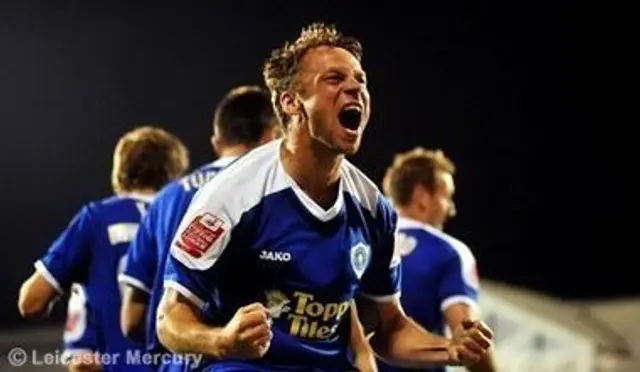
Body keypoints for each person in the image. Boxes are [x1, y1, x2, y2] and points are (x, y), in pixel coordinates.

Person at [155, 23, 493, 371]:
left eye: (360, 80)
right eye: (334, 79)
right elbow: (168, 320)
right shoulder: (232, 194)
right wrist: (222, 340)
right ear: (290, 102)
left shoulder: (373, 209)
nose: (354, 88)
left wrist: (449, 349)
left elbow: (389, 329)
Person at [118, 86, 280, 371]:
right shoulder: (276, 195)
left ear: (217, 141)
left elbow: (132, 319)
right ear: (274, 135)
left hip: (173, 361)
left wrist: (182, 337)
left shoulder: (166, 197)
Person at [18, 126, 189, 372]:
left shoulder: (96, 218)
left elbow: (30, 302)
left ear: (120, 171)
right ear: (175, 173)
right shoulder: (188, 218)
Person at [379, 147, 497, 372]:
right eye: (446, 197)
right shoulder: (450, 253)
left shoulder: (358, 240)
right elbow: (469, 339)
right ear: (422, 197)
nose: (450, 209)